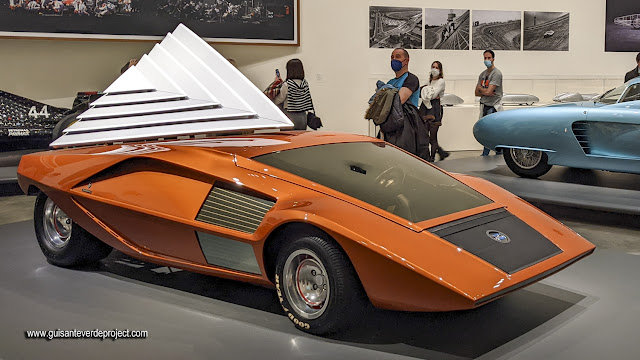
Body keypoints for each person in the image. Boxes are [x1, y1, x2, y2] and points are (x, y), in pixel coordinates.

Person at [419, 61, 449, 162]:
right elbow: (422, 92)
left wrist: (427, 91)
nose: (434, 69)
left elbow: (431, 94)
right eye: (433, 67)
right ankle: (440, 152)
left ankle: (432, 157)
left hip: (435, 109)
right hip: (425, 109)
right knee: (425, 134)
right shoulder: (429, 81)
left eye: (436, 67)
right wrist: (427, 91)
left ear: (440, 70)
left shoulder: (441, 81)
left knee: (433, 135)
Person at [475, 49, 503, 156]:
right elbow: (476, 93)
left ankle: (498, 152)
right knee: (486, 131)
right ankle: (486, 153)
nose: (486, 60)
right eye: (485, 58)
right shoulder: (482, 74)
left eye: (489, 58)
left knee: (493, 131)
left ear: (493, 59)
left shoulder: (496, 74)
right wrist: (484, 91)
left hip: (493, 107)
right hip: (484, 106)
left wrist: (482, 89)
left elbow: (488, 91)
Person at [274, 59, 314, 130]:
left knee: (288, 138)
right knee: (300, 139)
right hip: (303, 117)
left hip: (290, 116)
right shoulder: (305, 83)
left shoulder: (287, 84)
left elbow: (280, 99)